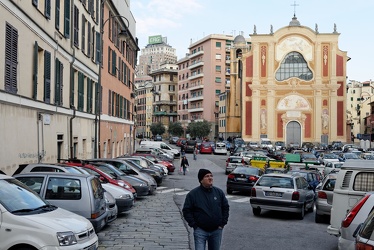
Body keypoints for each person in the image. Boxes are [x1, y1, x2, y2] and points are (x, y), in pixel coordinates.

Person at [183, 169, 230, 250]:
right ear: (201, 180)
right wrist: (194, 225)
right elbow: (187, 210)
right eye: (207, 176)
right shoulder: (193, 194)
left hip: (216, 230)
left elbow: (225, 207)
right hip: (200, 230)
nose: (210, 178)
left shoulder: (218, 192)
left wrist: (223, 223)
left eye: (211, 176)